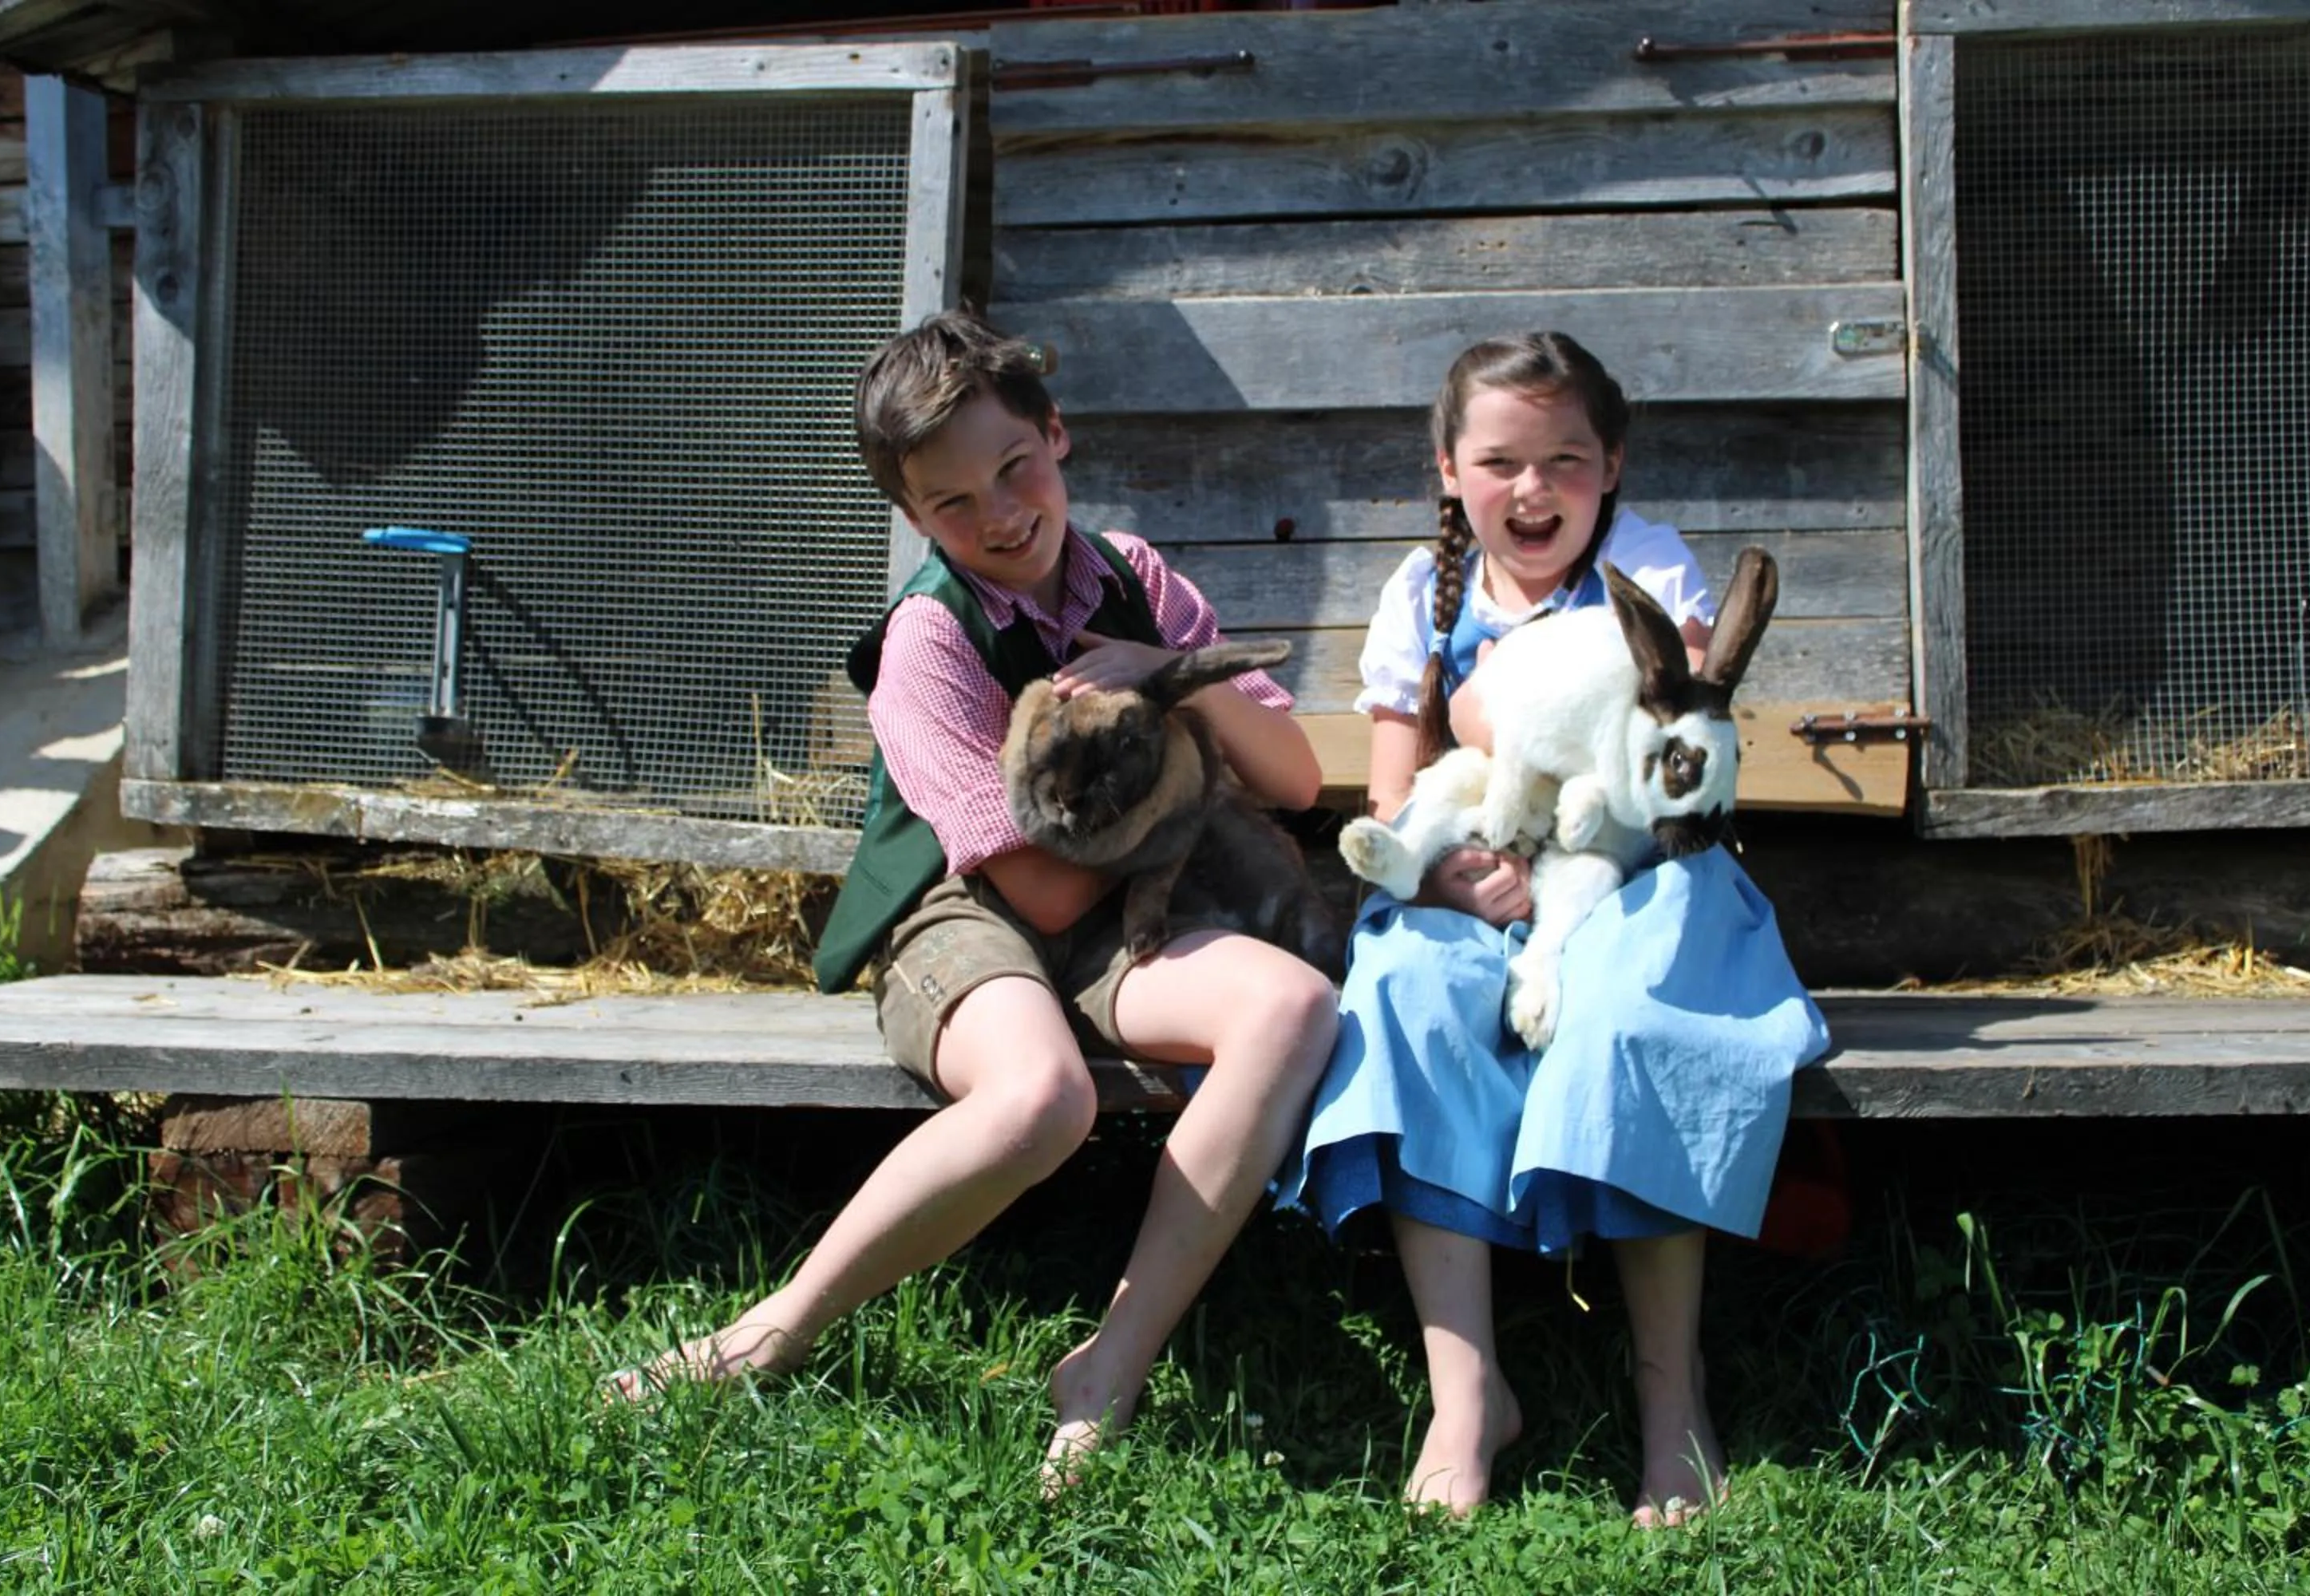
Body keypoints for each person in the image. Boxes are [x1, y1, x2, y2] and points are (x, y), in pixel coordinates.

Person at [618, 309, 1339, 1488]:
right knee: (1041, 1096)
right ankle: (777, 1327)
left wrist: (1167, 677)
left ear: (1058, 437)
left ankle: (1110, 1360)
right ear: (914, 518)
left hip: (1118, 901)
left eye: (1016, 470)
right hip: (966, 908)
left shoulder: (1137, 580)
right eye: (956, 504)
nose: (1001, 516)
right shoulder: (929, 643)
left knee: (1293, 1008)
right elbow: (1043, 898)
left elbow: (1296, 776)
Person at [1278, 332, 1829, 1523]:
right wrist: (1446, 881)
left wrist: (1506, 716)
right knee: (1409, 998)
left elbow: (1675, 745)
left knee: (1636, 1018)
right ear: (1448, 470)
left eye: (1565, 460)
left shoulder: (1649, 571)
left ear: (1613, 464)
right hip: (1474, 868)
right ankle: (1467, 1389)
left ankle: (1671, 1396)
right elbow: (1391, 789)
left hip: (1639, 880)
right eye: (1501, 462)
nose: (1533, 491)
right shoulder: (1420, 599)